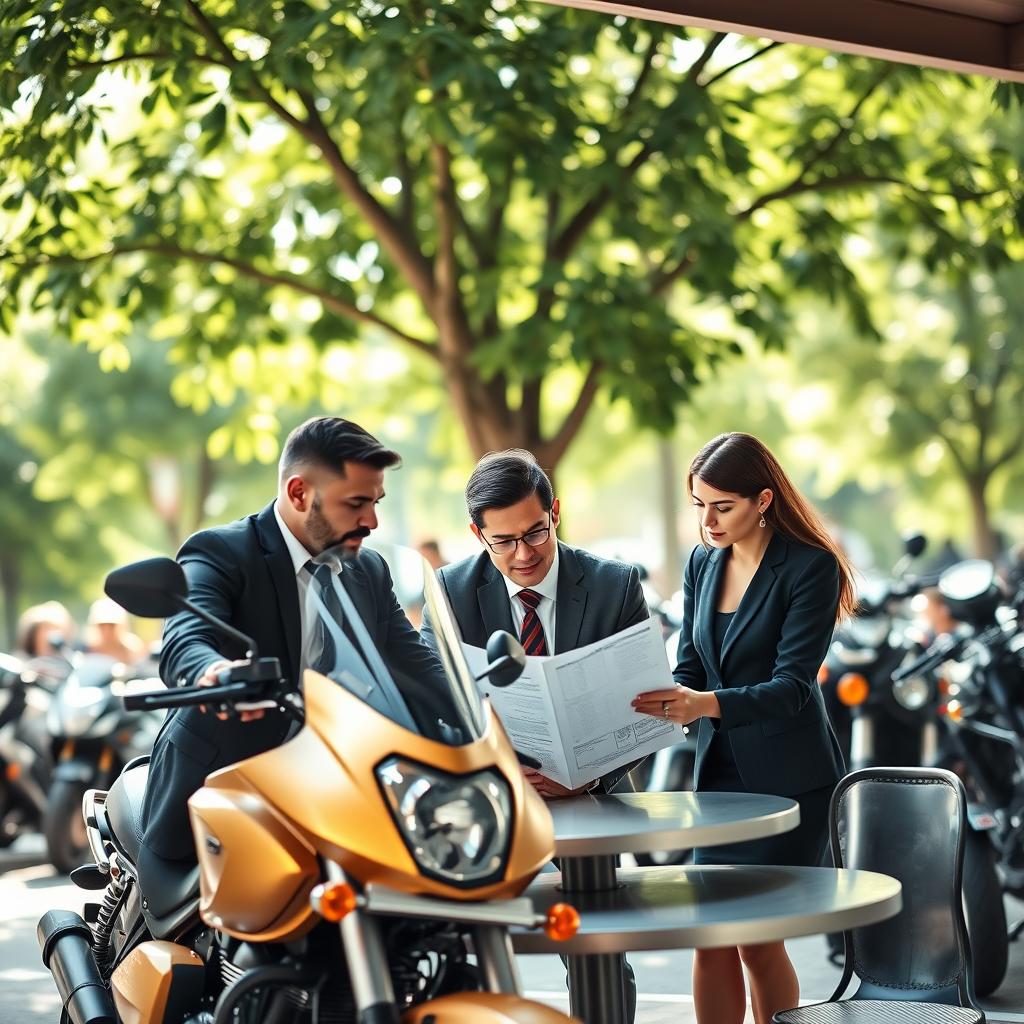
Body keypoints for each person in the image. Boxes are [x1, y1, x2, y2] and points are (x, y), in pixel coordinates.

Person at [139, 416, 442, 886]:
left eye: (376, 502)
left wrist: (489, 719)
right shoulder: (222, 552)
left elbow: (419, 668)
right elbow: (185, 636)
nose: (373, 521)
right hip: (221, 791)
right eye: (357, 503)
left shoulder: (369, 571)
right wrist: (215, 673)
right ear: (299, 493)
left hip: (339, 794)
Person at [419, 447, 648, 1023]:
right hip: (493, 793)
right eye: (504, 542)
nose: (523, 554)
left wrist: (587, 776)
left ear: (557, 513)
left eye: (536, 533)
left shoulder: (615, 584)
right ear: (478, 534)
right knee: (455, 939)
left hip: (591, 791)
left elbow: (641, 707)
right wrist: (498, 770)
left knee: (597, 943)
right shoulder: (447, 592)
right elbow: (436, 707)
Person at [632, 432, 854, 1024]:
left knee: (755, 937)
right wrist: (651, 695)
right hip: (720, 777)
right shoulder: (704, 561)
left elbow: (792, 689)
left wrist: (703, 704)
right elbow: (691, 665)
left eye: (721, 506)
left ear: (762, 500)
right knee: (709, 933)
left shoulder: (810, 567)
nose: (707, 520)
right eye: (698, 504)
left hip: (788, 781)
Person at [84, 597, 147, 665]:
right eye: (102, 625)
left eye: (111, 625)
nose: (107, 631)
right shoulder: (89, 649)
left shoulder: (132, 648)